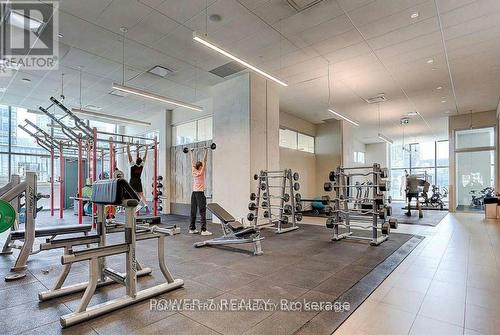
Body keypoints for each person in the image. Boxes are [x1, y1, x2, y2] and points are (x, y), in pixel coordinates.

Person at [189, 147, 212, 236]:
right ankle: (203, 230)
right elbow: (205, 160)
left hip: (194, 193)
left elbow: (192, 162)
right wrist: (206, 151)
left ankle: (192, 228)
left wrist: (191, 152)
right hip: (200, 193)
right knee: (202, 211)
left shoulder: (194, 171)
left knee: (193, 211)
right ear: (201, 167)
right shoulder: (201, 172)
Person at [127, 143, 149, 213]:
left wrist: (128, 147)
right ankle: (145, 205)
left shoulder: (133, 165)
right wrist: (146, 148)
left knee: (131, 194)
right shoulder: (141, 166)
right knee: (141, 194)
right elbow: (145, 157)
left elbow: (129, 156)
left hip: (132, 181)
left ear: (136, 161)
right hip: (138, 181)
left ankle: (138, 205)